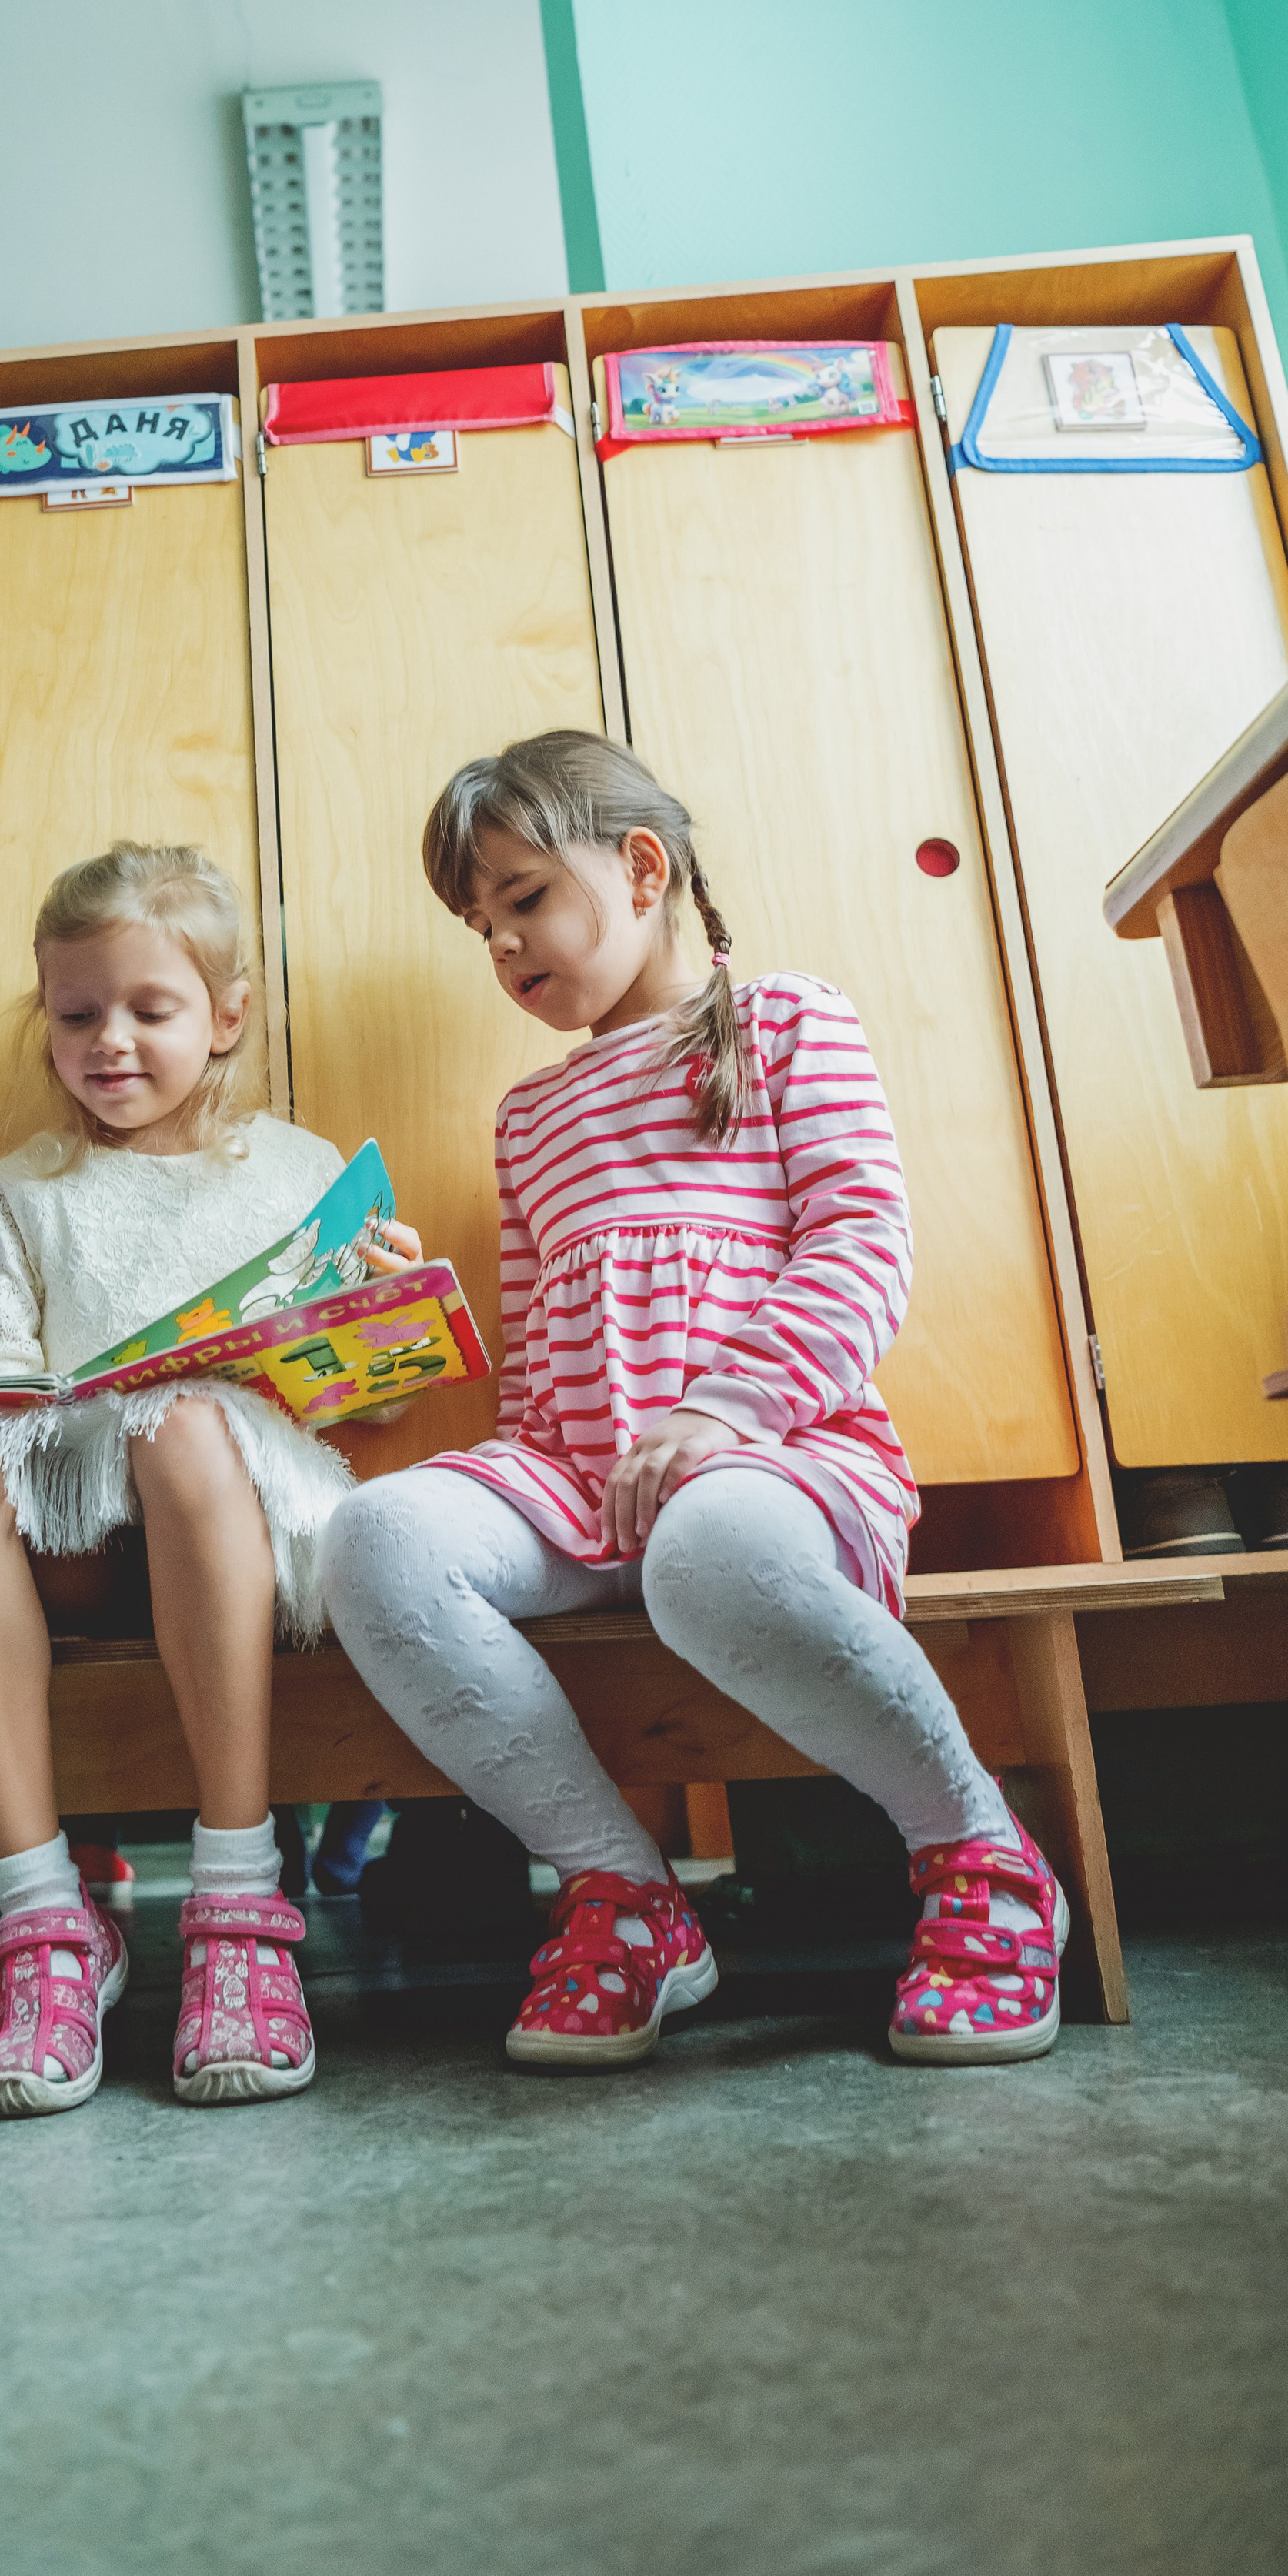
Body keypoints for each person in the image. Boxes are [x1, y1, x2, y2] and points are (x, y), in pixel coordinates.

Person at [319, 731, 1067, 2072]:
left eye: (523, 899)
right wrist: (405, 1340)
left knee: (705, 1549)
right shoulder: (527, 1119)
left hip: (781, 1456)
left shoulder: (788, 1023)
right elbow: (539, 1345)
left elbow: (863, 1245)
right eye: (482, 929)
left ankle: (982, 1854)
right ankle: (625, 1894)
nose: (504, 946)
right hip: (579, 1475)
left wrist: (722, 1412)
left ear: (642, 868)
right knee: (372, 1537)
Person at [0, 841, 420, 2119]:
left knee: (178, 1423)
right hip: (75, 1525)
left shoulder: (300, 1171)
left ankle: (238, 1909)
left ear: (226, 1015)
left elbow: (375, 1401)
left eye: (149, 1010)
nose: (108, 1041)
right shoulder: (31, 1187)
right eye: (77, 1015)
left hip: (249, 1519)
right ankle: (44, 1927)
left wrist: (384, 1316)